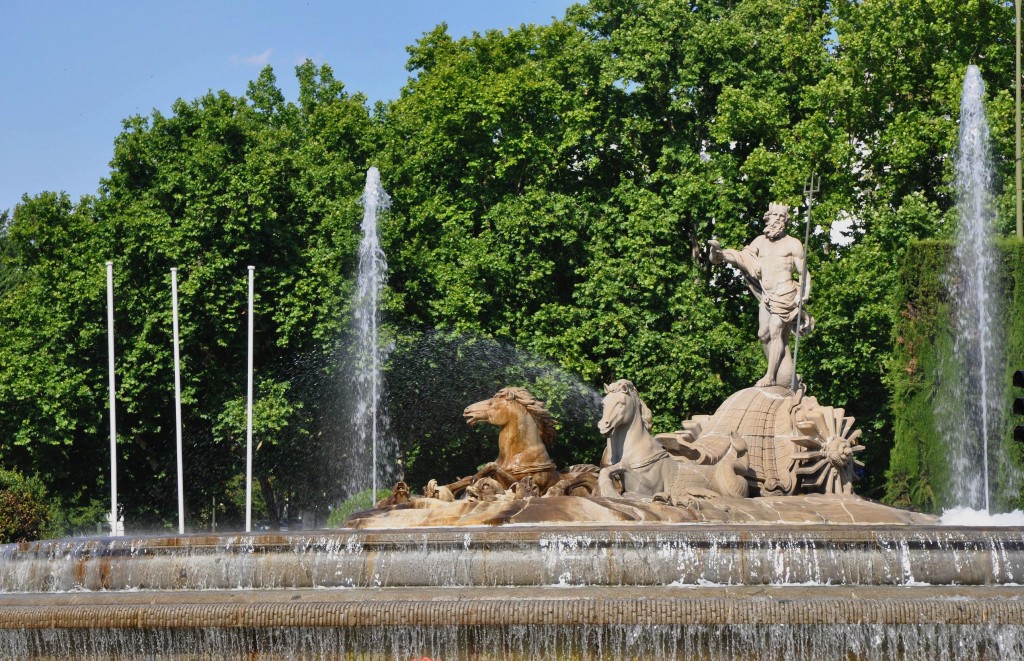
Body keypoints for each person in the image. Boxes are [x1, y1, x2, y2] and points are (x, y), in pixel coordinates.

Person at [707, 203, 813, 388]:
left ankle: (771, 377)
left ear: (785, 222)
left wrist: (803, 294)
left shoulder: (793, 243)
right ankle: (787, 377)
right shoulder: (759, 242)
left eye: (779, 218)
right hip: (766, 296)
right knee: (763, 335)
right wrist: (720, 254)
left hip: (785, 293)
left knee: (775, 331)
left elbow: (803, 272)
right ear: (767, 219)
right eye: (772, 217)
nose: (774, 221)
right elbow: (741, 258)